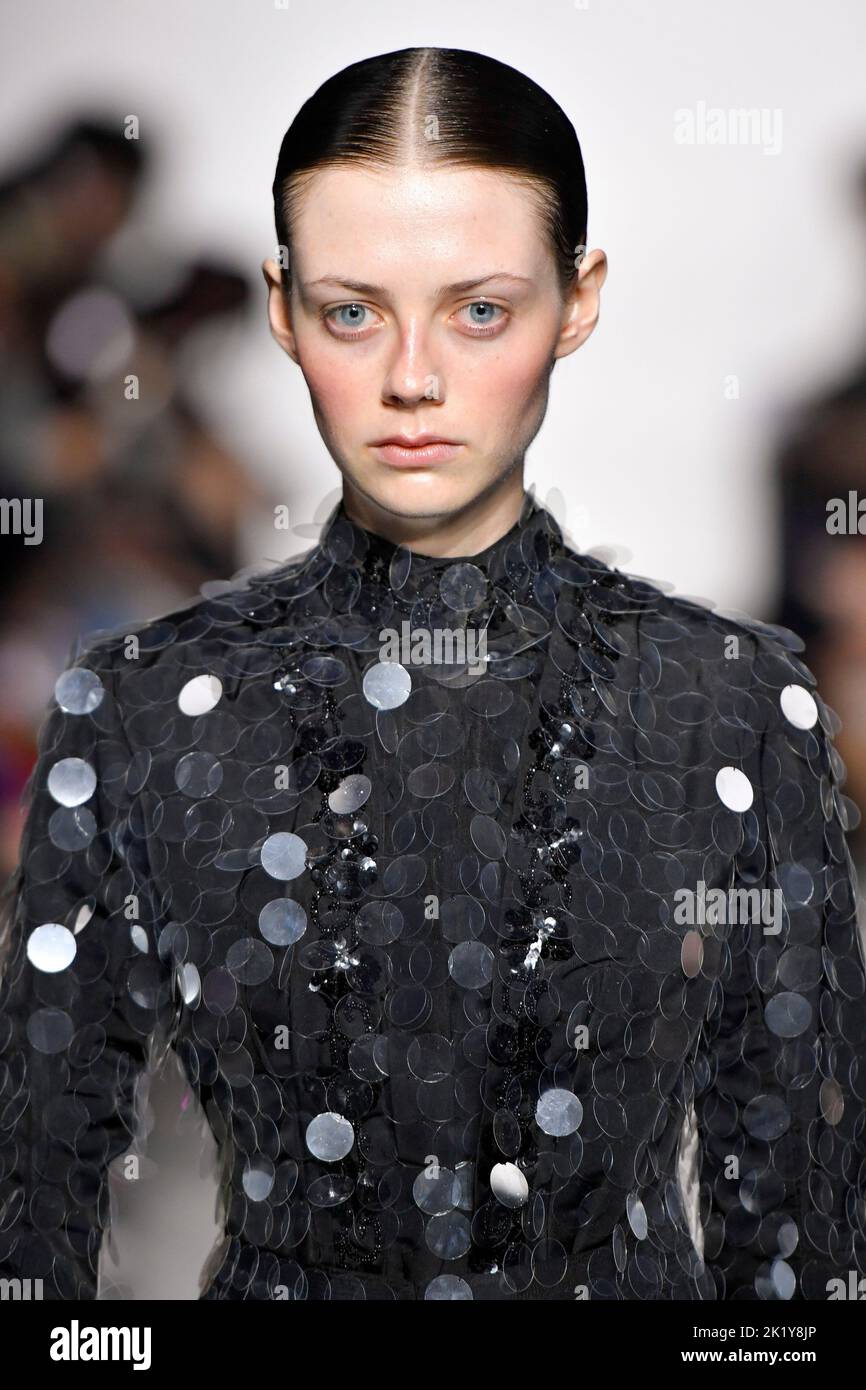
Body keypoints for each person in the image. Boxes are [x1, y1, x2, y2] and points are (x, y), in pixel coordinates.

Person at [1, 45, 864, 1303]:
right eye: (354, 308)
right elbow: (37, 1235)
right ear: (283, 307)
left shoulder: (731, 712)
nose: (412, 379)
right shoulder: (133, 714)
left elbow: (792, 1254)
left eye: (479, 309)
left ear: (578, 300)